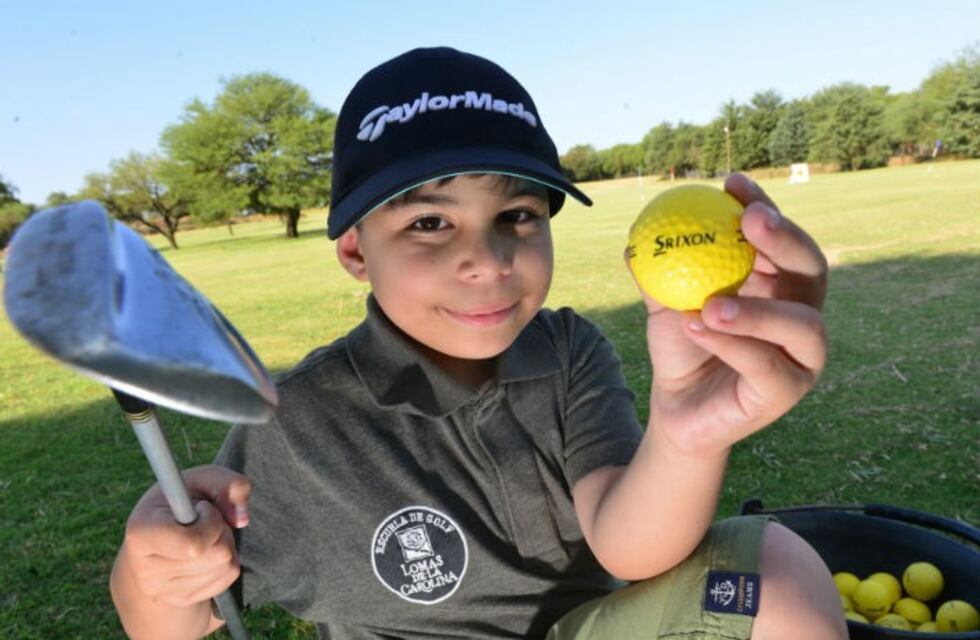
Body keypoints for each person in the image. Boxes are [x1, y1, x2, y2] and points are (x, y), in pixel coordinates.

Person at [110, 47, 846, 640]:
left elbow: (629, 546)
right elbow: (175, 624)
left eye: (519, 214)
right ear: (357, 255)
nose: (491, 262)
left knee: (771, 570)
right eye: (430, 223)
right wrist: (154, 571)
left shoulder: (567, 352)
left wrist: (689, 438)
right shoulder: (298, 422)